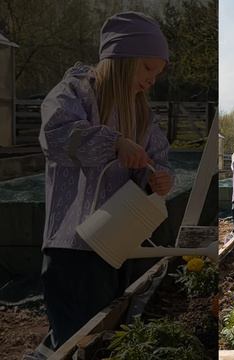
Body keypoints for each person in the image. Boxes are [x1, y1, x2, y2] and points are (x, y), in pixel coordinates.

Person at [36, 12, 173, 352]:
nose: (151, 80)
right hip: (72, 245)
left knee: (105, 327)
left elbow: (157, 156)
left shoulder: (141, 112)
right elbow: (56, 135)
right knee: (76, 332)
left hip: (117, 238)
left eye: (157, 73)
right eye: (147, 68)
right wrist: (114, 142)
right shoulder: (75, 92)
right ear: (122, 59)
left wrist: (157, 177)